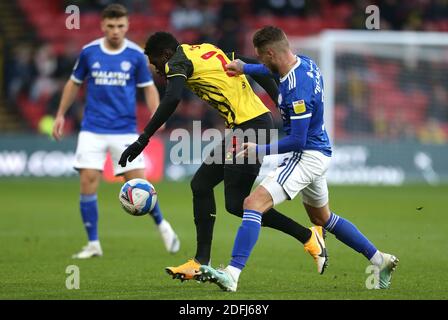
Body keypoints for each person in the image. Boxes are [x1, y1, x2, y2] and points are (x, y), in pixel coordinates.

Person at [200, 26, 399, 291]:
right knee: (323, 219)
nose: (260, 62)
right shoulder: (305, 62)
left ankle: (232, 273)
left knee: (252, 203)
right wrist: (245, 68)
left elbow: (297, 141)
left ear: (271, 52)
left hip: (307, 154)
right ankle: (379, 258)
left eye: (260, 57)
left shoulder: (297, 92)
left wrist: (258, 150)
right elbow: (270, 70)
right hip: (321, 151)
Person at [118, 31, 329, 280]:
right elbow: (250, 65)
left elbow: (172, 97)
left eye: (155, 63)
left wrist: (143, 139)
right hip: (247, 127)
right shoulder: (202, 49)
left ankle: (307, 236)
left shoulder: (177, 61)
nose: (156, 69)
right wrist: (277, 101)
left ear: (165, 55)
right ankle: (200, 261)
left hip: (252, 128)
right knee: (201, 184)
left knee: (238, 203)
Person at [52, 4, 180, 259]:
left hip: (124, 131)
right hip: (92, 128)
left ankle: (163, 226)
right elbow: (73, 83)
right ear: (102, 26)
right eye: (110, 26)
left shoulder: (135, 55)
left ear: (127, 26)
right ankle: (93, 244)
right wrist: (60, 114)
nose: (115, 31)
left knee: (138, 185)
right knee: (88, 181)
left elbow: (149, 88)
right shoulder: (89, 52)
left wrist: (158, 113)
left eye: (120, 26)